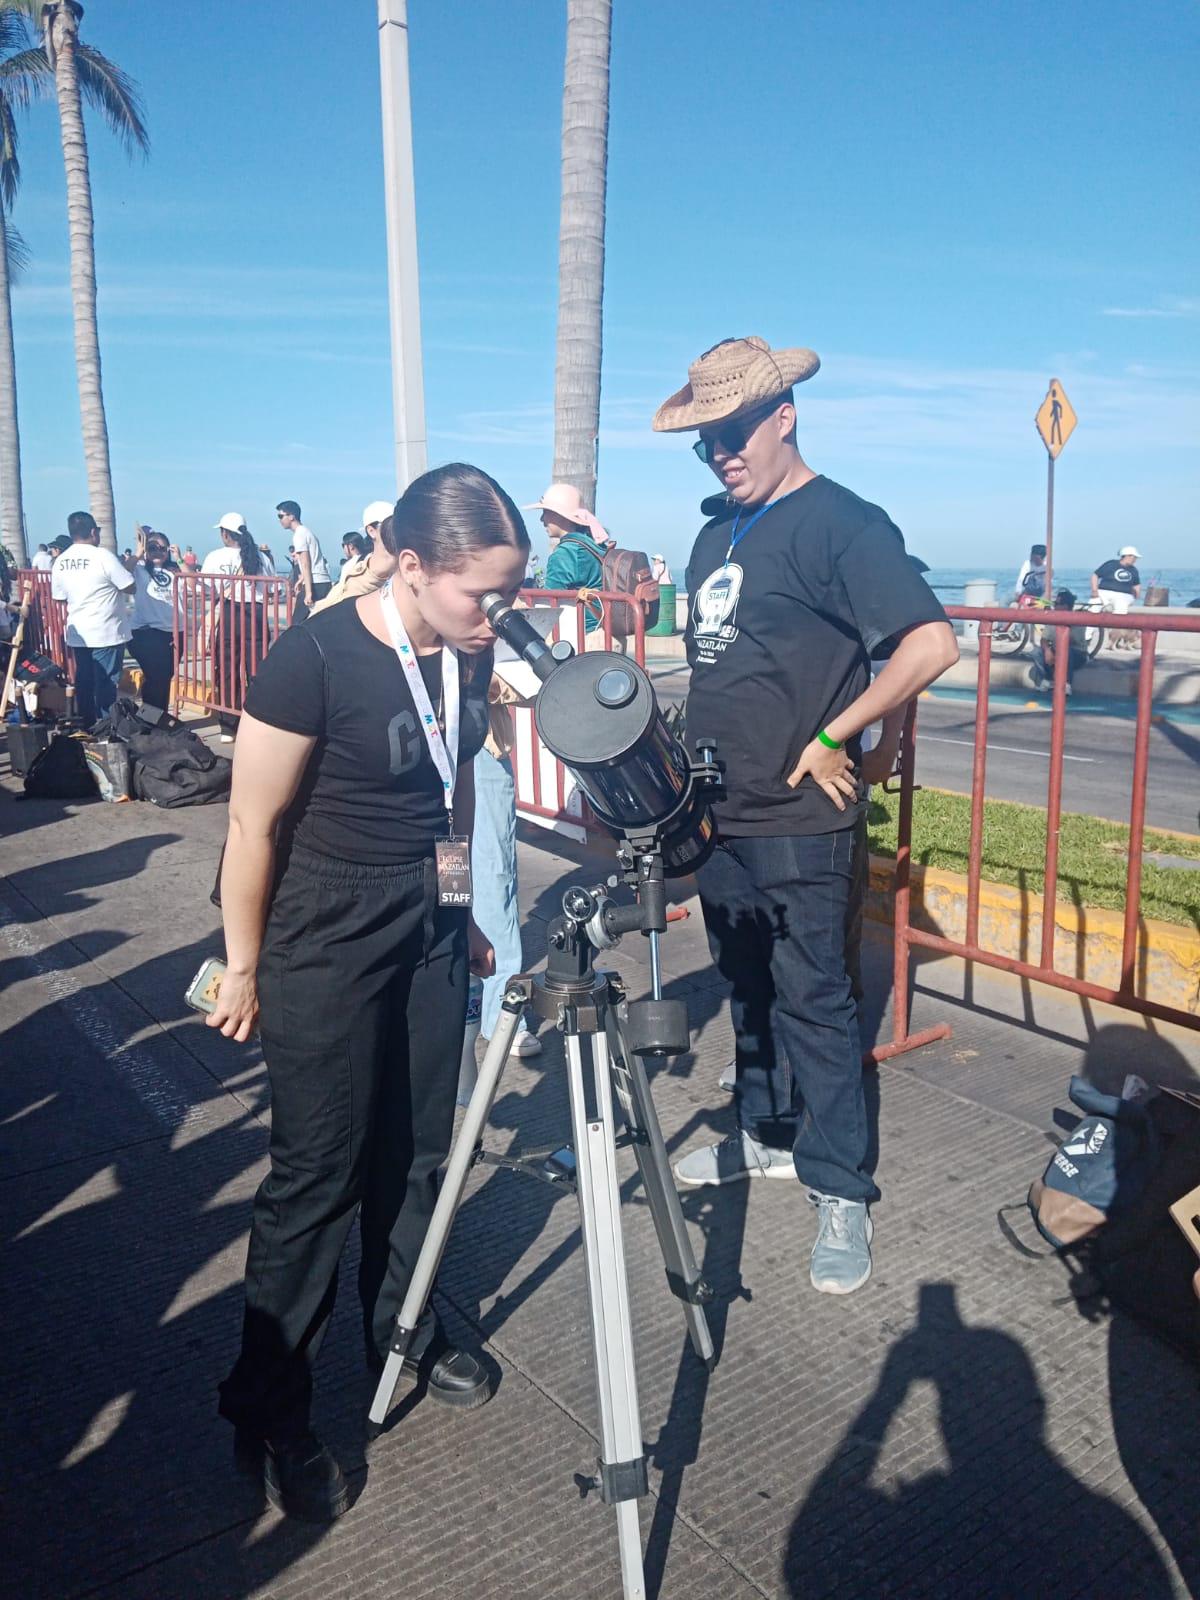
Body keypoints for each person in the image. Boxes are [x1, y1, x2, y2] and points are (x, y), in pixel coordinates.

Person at [208, 463, 529, 1522]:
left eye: (508, 591)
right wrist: (244, 963)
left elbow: (455, 787)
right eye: (481, 591)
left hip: (425, 920)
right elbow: (253, 824)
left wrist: (468, 914)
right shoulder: (317, 656)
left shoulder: (467, 655)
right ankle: (270, 1404)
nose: (499, 613)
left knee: (424, 1150)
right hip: (323, 929)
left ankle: (407, 1330)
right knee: (321, 1171)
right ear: (410, 565)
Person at [654, 336, 958, 1296]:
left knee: (817, 1001)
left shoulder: (842, 523)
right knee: (745, 991)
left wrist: (848, 739)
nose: (721, 453)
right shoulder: (718, 532)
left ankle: (840, 1185)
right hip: (720, 813)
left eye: (734, 432)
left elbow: (928, 643)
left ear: (783, 415)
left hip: (803, 816)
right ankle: (767, 1136)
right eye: (705, 440)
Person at [50, 511, 134, 726]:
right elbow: (129, 586)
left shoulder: (61, 561)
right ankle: (106, 730)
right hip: (106, 632)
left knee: (85, 682)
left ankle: (88, 726)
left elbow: (59, 597)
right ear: (93, 532)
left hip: (80, 634)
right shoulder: (103, 556)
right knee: (106, 685)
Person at [204, 514, 267, 742]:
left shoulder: (215, 556)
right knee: (258, 670)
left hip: (232, 611)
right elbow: (271, 589)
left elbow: (205, 586)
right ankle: (260, 721)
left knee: (228, 668)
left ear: (225, 533)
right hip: (256, 615)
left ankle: (229, 725)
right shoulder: (259, 555)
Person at [526, 482, 611, 637]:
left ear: (560, 514)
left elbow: (549, 602)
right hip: (604, 631)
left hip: (581, 635)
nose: (541, 519)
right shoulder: (592, 543)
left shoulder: (566, 553)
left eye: (546, 512)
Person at [128, 527, 179, 714]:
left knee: (164, 677)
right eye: (153, 547)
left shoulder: (175, 571)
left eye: (162, 548)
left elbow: (195, 587)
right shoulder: (140, 570)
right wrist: (138, 553)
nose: (158, 551)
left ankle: (156, 717)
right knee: (156, 677)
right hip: (146, 631)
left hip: (172, 631)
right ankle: (152, 718)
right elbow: (122, 573)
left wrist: (180, 560)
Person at [276, 500, 330, 621]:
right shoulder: (306, 532)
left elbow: (306, 563)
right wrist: (301, 580)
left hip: (315, 584)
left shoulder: (299, 535)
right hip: (322, 582)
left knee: (297, 625)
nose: (279, 520)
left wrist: (308, 592)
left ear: (291, 516)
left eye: (280, 516)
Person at [1028, 589, 1088, 696]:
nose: (1055, 606)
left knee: (1066, 650)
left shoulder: (1079, 620)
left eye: (1058, 604)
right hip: (1056, 651)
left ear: (1066, 606)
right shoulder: (1053, 618)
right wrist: (1047, 650)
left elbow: (1071, 641)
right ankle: (1048, 679)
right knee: (1036, 652)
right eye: (1055, 603)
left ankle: (1066, 683)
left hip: (1077, 654)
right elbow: (1044, 639)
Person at [1091, 545, 1141, 614]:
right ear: (1127, 556)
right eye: (1134, 557)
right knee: (1095, 603)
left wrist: (1135, 597)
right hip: (1104, 592)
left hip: (1123, 595)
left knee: (1121, 605)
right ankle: (1091, 623)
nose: (1135, 560)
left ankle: (1116, 623)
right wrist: (1094, 590)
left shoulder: (1134, 570)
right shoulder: (1111, 564)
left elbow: (1136, 585)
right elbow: (1095, 575)